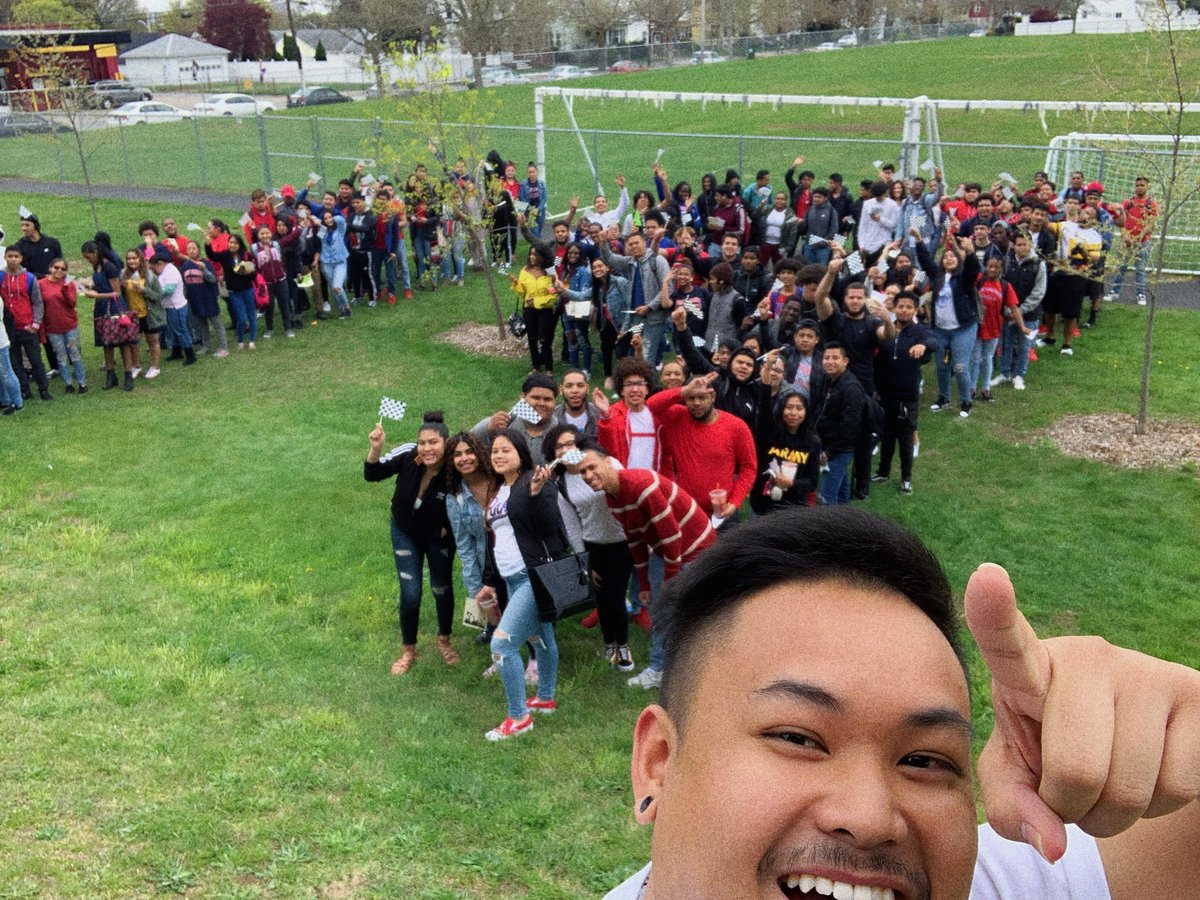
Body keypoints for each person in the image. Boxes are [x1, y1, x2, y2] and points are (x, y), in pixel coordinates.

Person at [605, 506, 1200, 900]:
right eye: (798, 738)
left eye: (925, 760)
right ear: (658, 762)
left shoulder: (1012, 882)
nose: (869, 818)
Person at [577, 443, 716, 690]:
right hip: (665, 549)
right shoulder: (613, 498)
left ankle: (669, 667)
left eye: (592, 467)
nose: (588, 475)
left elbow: (672, 534)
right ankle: (669, 664)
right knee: (658, 606)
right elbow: (636, 539)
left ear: (608, 462)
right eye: (582, 472)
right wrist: (643, 582)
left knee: (681, 608)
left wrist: (671, 578)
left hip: (695, 546)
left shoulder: (641, 485)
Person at [476, 430, 564, 740]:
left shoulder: (534, 481)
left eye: (506, 450)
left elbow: (551, 526)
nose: (499, 455)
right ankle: (545, 698)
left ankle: (519, 718)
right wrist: (490, 580)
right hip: (511, 577)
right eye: (495, 451)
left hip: (533, 576)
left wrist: (537, 494)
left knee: (502, 645)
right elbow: (496, 539)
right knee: (539, 637)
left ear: (521, 453)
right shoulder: (500, 489)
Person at [364, 411, 457, 676]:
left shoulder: (455, 467)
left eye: (433, 442)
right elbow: (372, 474)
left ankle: (444, 640)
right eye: (422, 442)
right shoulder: (408, 454)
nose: (427, 448)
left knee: (441, 588)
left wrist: (447, 529)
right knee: (411, 593)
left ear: (446, 443)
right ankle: (408, 650)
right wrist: (376, 449)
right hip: (404, 531)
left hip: (438, 537)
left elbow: (468, 503)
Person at [546, 426, 636, 671]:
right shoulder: (562, 484)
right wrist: (584, 561)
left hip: (621, 541)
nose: (565, 450)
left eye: (569, 443)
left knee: (616, 596)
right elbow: (572, 526)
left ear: (580, 444)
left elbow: (627, 494)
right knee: (602, 598)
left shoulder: (607, 464)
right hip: (593, 545)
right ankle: (609, 644)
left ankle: (623, 646)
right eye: (559, 447)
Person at [872, 291, 933, 493]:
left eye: (908, 307)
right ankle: (883, 471)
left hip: (907, 396)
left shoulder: (919, 331)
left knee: (905, 438)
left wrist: (922, 345)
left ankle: (906, 478)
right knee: (886, 435)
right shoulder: (885, 329)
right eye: (901, 306)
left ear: (915, 309)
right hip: (884, 393)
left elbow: (934, 342)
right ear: (894, 308)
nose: (904, 310)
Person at [444, 430, 497, 654]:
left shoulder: (499, 480)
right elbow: (464, 545)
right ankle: (489, 628)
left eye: (469, 452)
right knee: (479, 593)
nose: (464, 458)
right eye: (457, 455)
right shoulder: (454, 498)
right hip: (484, 561)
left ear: (479, 454)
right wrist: (475, 586)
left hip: (511, 556)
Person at [749, 386, 820, 514]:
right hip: (762, 505)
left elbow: (812, 481)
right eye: (789, 407)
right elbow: (763, 412)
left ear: (806, 412)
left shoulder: (812, 442)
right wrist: (766, 385)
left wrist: (792, 483)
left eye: (799, 408)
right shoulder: (769, 434)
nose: (793, 413)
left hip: (792, 509)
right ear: (781, 409)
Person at [811, 342, 865, 506]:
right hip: (826, 443)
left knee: (826, 498)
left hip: (839, 449)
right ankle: (846, 516)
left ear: (845, 361)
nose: (830, 361)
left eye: (835, 358)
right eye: (826, 358)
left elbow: (849, 425)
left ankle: (830, 522)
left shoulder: (851, 388)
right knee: (841, 491)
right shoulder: (829, 380)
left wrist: (829, 452)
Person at [81, 240, 134, 391]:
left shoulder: (109, 267)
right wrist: (90, 286)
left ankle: (128, 375)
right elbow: (102, 285)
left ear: (95, 253)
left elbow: (117, 293)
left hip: (115, 308)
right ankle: (111, 375)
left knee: (123, 342)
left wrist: (96, 296)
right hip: (102, 308)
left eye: (88, 257)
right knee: (106, 342)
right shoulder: (96, 267)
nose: (87, 260)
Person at [1, 247, 51, 401]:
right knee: (15, 362)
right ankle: (24, 390)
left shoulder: (29, 278)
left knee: (36, 360)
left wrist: (36, 323)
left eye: (16, 256)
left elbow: (37, 302)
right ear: (5, 257)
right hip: (8, 328)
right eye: (10, 256)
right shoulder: (1, 276)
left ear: (21, 259)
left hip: (27, 326)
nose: (13, 259)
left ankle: (43, 389)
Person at [39, 258, 86, 393]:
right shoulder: (41, 284)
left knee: (75, 354)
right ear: (50, 268)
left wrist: (65, 290)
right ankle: (68, 383)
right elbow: (39, 305)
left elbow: (72, 303)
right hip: (52, 327)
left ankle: (82, 382)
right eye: (56, 267)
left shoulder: (68, 284)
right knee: (61, 356)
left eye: (63, 269)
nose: (59, 270)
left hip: (69, 325)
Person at [510, 245, 558, 374]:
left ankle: (549, 368)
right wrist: (516, 283)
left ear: (542, 257)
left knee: (544, 338)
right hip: (529, 311)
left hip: (545, 310)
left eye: (535, 255)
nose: (531, 257)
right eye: (530, 254)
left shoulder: (550, 272)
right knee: (532, 338)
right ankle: (536, 366)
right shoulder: (525, 270)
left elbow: (553, 296)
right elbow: (522, 293)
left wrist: (535, 302)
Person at [180, 241, 226, 358]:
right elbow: (185, 283)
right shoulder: (185, 265)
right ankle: (206, 345)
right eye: (189, 249)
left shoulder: (206, 263)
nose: (191, 251)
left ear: (199, 250)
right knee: (202, 325)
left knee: (216, 324)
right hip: (195, 301)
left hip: (208, 300)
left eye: (194, 248)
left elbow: (213, 279)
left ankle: (223, 347)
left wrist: (204, 269)